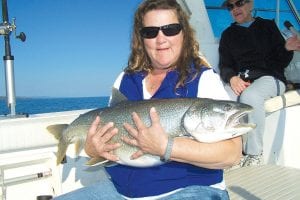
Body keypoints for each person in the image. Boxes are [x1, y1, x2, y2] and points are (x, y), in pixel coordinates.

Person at [54, 0, 241, 199]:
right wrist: (93, 149)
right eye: (150, 32)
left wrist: (166, 147)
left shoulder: (203, 79)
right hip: (119, 192)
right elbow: (107, 141)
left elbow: (232, 154)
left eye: (170, 29)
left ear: (183, 34)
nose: (161, 39)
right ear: (141, 39)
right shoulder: (124, 79)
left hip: (189, 190)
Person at [219, 0, 300, 167]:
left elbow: (281, 61)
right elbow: (225, 65)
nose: (235, 9)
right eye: (230, 6)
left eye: (239, 3)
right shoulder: (227, 35)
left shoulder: (267, 26)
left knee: (251, 96)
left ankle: (255, 153)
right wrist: (232, 78)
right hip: (242, 78)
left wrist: (286, 49)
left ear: (250, 4)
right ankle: (231, 152)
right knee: (222, 99)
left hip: (271, 77)